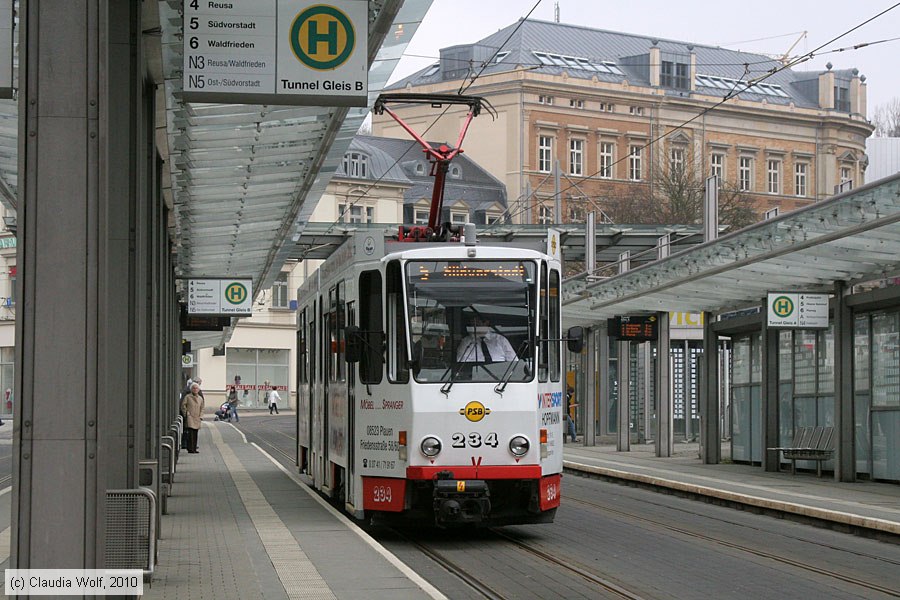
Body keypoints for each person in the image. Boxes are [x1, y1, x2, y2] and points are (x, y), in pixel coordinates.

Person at [180, 382, 204, 453]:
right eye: (193, 388)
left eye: (196, 388)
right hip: (190, 417)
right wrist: (186, 413)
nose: (195, 389)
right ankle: (190, 448)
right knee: (190, 433)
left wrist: (201, 416)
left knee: (195, 433)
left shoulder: (200, 398)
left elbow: (202, 407)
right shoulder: (188, 397)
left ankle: (194, 448)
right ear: (191, 389)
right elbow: (183, 406)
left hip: (197, 417)